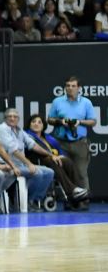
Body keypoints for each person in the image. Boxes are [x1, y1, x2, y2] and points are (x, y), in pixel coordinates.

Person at [47, 76, 95, 207]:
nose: (70, 88)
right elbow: (49, 119)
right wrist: (60, 121)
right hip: (60, 142)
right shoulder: (57, 101)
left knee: (81, 172)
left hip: (79, 142)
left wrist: (79, 122)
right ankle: (70, 201)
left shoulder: (86, 102)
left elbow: (93, 121)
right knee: (65, 172)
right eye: (68, 85)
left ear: (79, 88)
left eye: (73, 86)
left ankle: (84, 201)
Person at [0, 109, 56, 211]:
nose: (12, 118)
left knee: (49, 172)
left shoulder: (19, 131)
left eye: (15, 117)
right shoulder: (2, 129)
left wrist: (51, 155)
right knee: (38, 173)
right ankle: (27, 202)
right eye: (10, 116)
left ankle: (34, 200)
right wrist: (29, 163)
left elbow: (33, 145)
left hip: (21, 165)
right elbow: (14, 150)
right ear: (5, 118)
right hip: (9, 165)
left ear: (18, 119)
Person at [25, 113, 89, 207]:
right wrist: (52, 156)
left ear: (43, 125)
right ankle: (72, 190)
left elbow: (59, 151)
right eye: (33, 122)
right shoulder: (27, 135)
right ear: (29, 124)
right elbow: (35, 149)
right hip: (36, 161)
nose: (36, 124)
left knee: (67, 161)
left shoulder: (48, 137)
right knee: (51, 161)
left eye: (39, 122)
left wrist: (61, 156)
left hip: (53, 160)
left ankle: (79, 192)